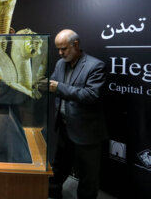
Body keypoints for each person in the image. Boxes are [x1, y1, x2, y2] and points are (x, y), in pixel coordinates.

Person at [46, 29, 108, 199]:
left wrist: (59, 87)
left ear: (76, 45)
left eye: (63, 48)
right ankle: (52, 193)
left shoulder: (95, 66)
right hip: (65, 127)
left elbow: (91, 95)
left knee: (88, 176)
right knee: (58, 167)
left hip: (87, 131)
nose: (60, 53)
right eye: (58, 49)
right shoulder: (60, 64)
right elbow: (52, 82)